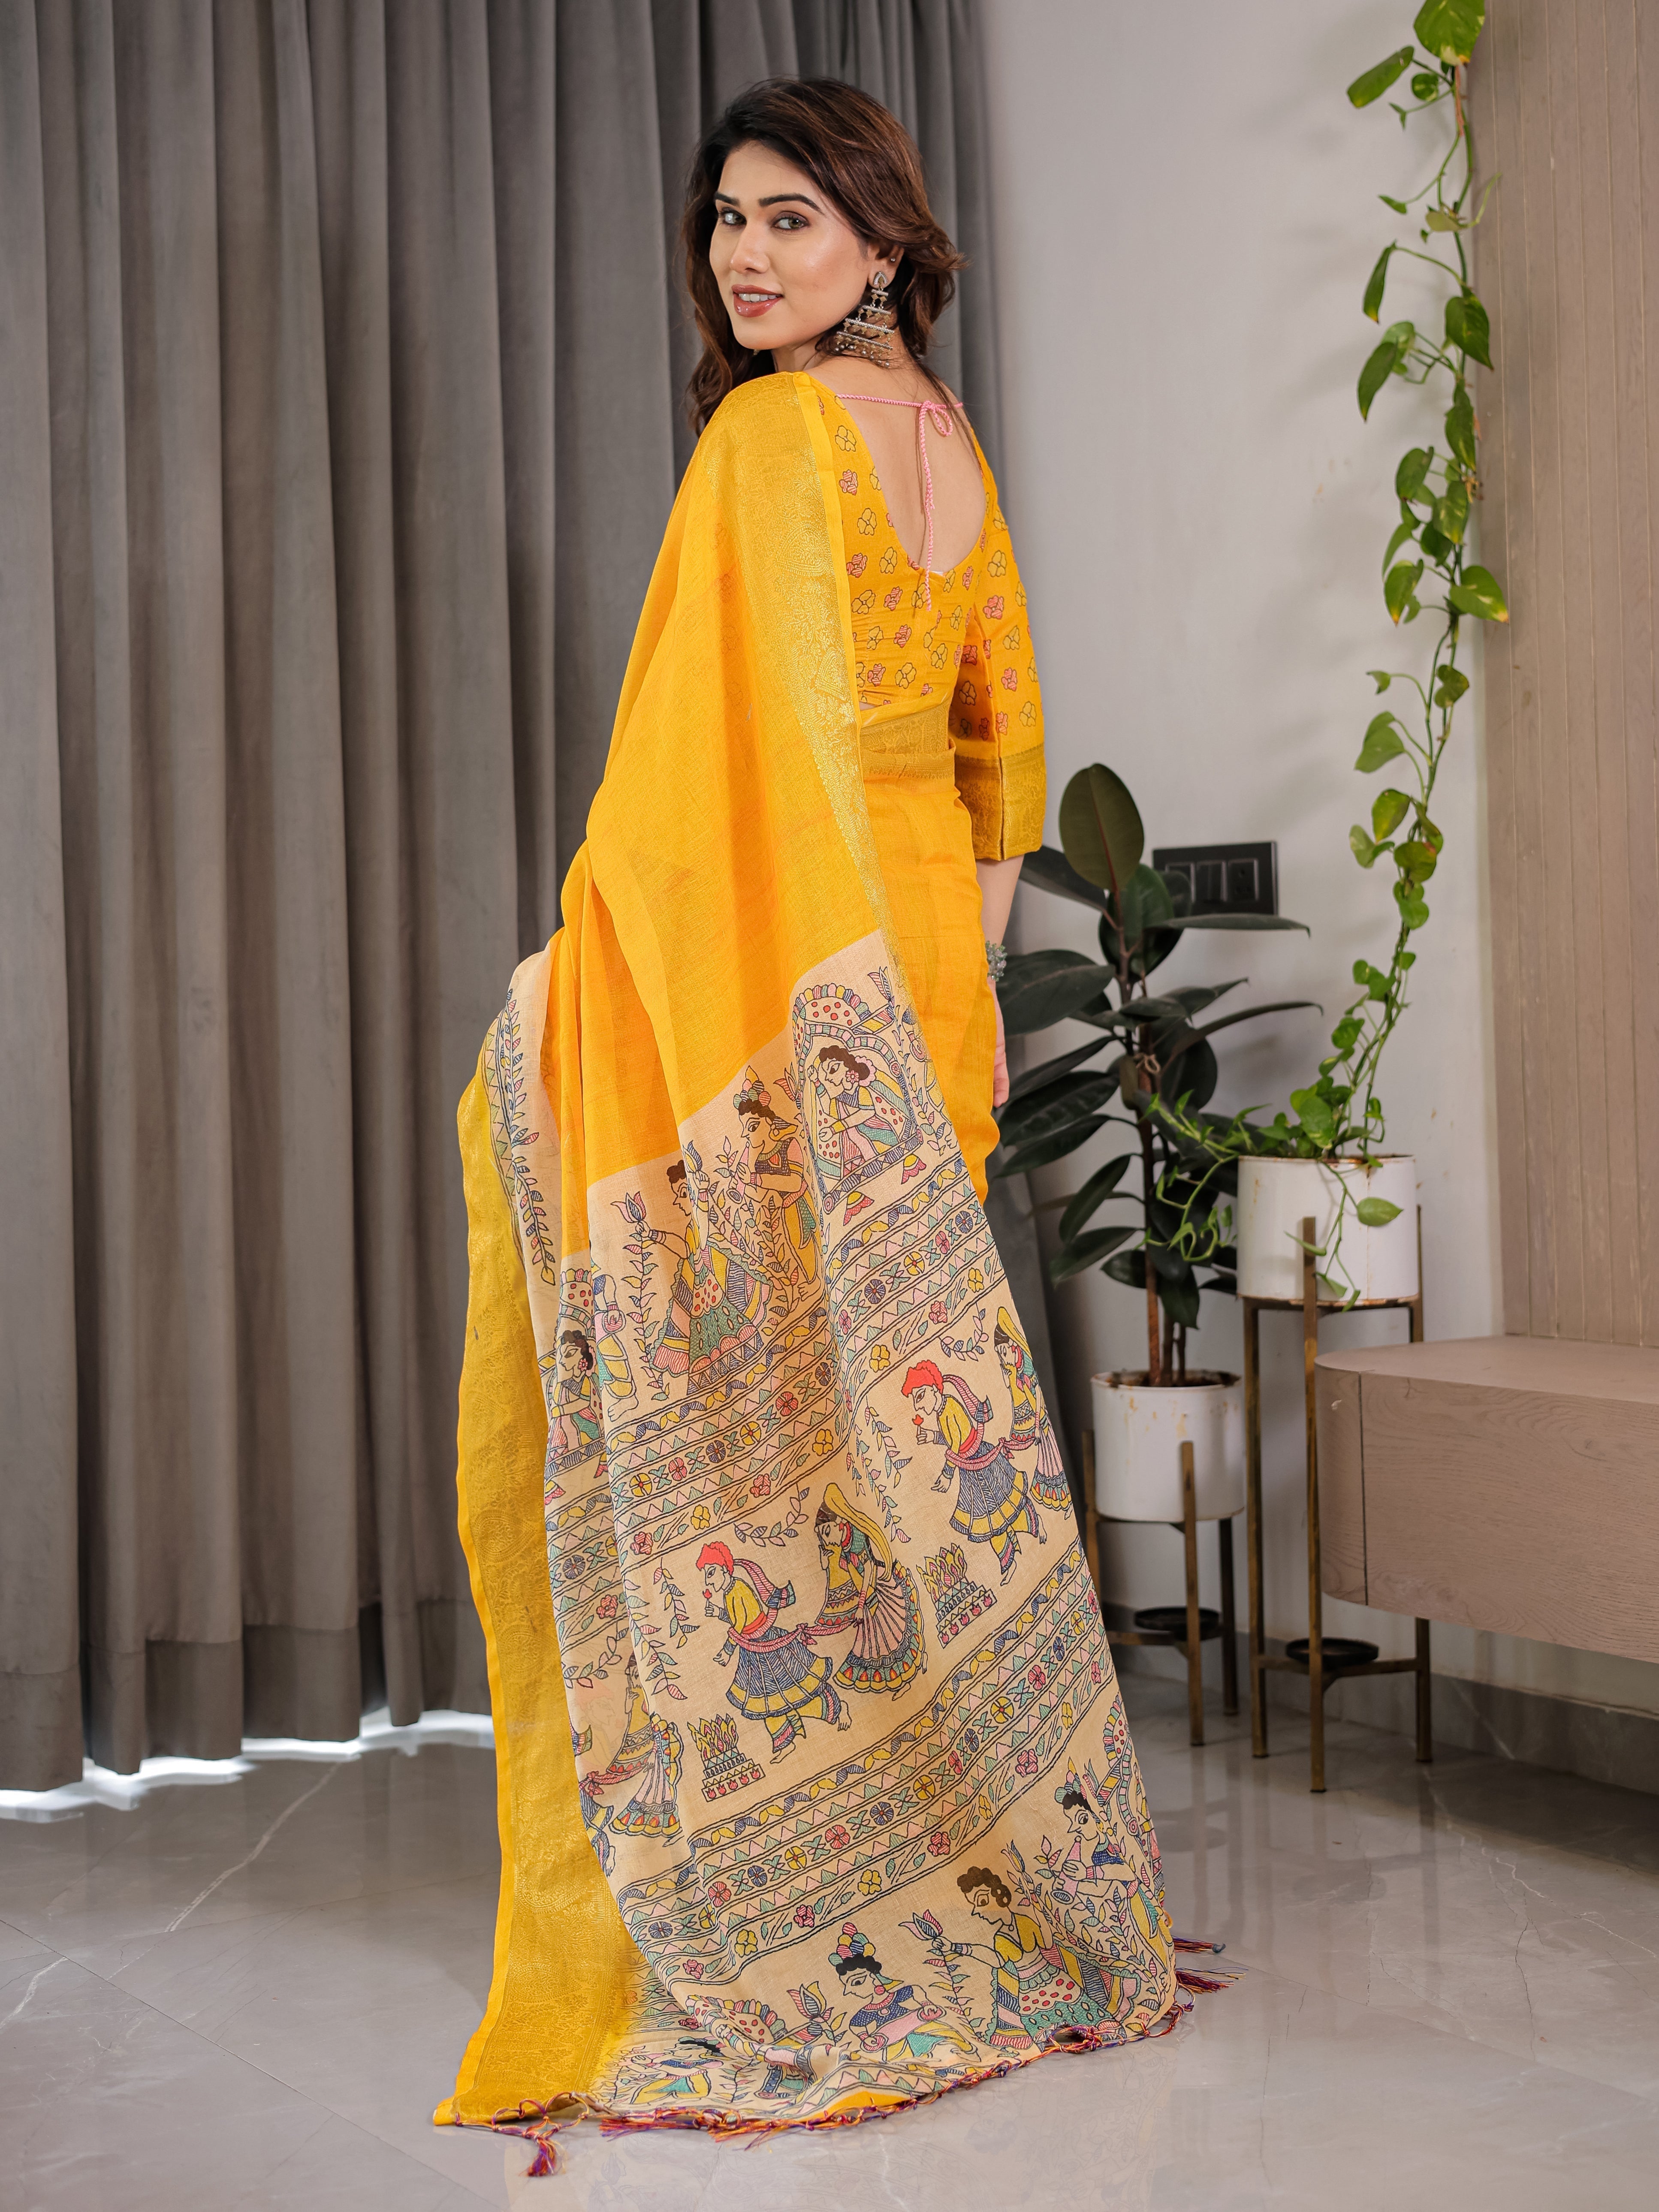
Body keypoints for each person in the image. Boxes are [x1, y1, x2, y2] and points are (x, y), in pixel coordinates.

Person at [449, 76, 1178, 2149]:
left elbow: (698, 783)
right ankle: (985, 1866)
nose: (747, 255)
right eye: (726, 221)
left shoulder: (773, 440)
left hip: (774, 984)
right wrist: (944, 1010)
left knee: (768, 1446)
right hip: (906, 987)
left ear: (879, 235)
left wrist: (605, 980)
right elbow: (995, 764)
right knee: (892, 1437)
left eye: (790, 216)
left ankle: (802, 1893)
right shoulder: (942, 436)